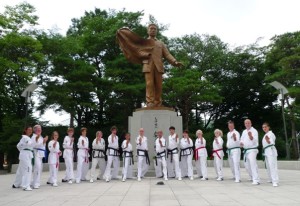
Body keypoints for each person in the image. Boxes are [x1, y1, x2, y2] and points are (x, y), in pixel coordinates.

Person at [117, 24, 183, 107]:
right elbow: (133, 45)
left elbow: (167, 54)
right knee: (149, 84)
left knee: (159, 85)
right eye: (151, 29)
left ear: (157, 31)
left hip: (158, 66)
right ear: (147, 31)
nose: (153, 30)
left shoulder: (160, 43)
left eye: (155, 29)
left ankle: (158, 102)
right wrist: (123, 32)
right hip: (147, 65)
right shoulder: (143, 43)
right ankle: (150, 102)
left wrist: (174, 62)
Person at [12, 126, 34, 191]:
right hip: (25, 155)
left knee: (20, 170)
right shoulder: (25, 137)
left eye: (31, 130)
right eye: (29, 129)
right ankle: (26, 186)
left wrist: (22, 151)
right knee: (28, 168)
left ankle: (16, 184)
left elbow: (18, 146)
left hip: (25, 154)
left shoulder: (24, 138)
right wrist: (24, 150)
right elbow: (29, 143)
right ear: (25, 130)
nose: (30, 131)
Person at [240, 119, 260, 185]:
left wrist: (251, 136)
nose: (247, 124)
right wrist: (241, 143)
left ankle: (256, 179)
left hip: (252, 150)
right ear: (244, 124)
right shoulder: (244, 131)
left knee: (253, 164)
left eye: (248, 123)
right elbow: (242, 139)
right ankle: (252, 176)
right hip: (246, 150)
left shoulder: (254, 131)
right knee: (246, 165)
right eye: (246, 123)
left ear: (251, 123)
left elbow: (255, 141)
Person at [262, 122, 279, 187]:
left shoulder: (271, 134)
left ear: (269, 127)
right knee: (268, 166)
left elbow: (271, 142)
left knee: (272, 166)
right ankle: (271, 178)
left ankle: (275, 181)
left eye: (265, 127)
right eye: (263, 127)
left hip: (271, 150)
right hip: (266, 151)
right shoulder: (266, 134)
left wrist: (268, 140)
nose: (264, 128)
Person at [31, 124, 48, 189]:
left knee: (40, 168)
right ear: (34, 130)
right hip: (36, 153)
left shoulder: (41, 137)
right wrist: (43, 141)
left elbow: (43, 146)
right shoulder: (34, 137)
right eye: (37, 129)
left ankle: (36, 182)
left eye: (40, 129)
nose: (39, 130)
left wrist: (44, 141)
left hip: (41, 154)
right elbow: (34, 145)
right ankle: (35, 183)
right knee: (37, 168)